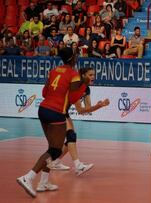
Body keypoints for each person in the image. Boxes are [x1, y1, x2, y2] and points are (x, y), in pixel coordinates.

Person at [16, 47, 89, 197]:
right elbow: (74, 98)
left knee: (52, 148)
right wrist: (84, 84)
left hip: (43, 109)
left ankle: (43, 182)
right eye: (75, 55)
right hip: (56, 113)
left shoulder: (54, 71)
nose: (76, 57)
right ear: (72, 58)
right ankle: (28, 177)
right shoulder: (73, 75)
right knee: (55, 150)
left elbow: (44, 93)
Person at [49, 67, 110, 175]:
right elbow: (79, 109)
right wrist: (98, 106)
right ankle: (78, 165)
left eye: (94, 75)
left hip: (64, 111)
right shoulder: (76, 86)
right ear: (83, 75)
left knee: (71, 138)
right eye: (90, 75)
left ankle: (56, 161)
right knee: (71, 135)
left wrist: (99, 106)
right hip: (57, 109)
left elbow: (84, 110)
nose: (93, 77)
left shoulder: (86, 89)